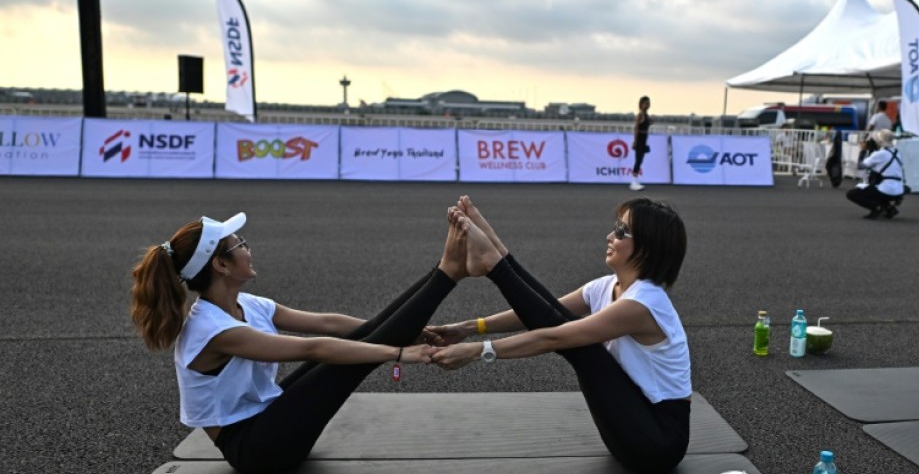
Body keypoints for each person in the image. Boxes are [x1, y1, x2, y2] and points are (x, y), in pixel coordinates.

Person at [130, 212, 468, 474]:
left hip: (267, 423)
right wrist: (398, 352)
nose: (247, 248)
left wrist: (409, 333)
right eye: (239, 244)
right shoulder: (214, 330)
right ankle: (448, 272)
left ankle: (444, 270)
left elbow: (326, 323)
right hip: (256, 451)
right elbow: (313, 348)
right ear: (221, 265)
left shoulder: (246, 304)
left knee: (357, 340)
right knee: (339, 360)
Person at [430, 196, 691, 474]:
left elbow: (554, 337)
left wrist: (477, 351)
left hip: (658, 444)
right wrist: (468, 327)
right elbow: (544, 308)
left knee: (584, 347)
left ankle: (495, 264)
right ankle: (496, 256)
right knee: (562, 321)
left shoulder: (643, 304)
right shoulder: (607, 287)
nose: (609, 236)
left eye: (621, 231)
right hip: (629, 429)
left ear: (647, 249)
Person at [846, 129, 906, 219]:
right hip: (899, 189)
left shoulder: (879, 154)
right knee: (874, 187)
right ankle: (889, 208)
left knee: (852, 194)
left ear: (880, 141)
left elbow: (861, 166)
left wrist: (863, 150)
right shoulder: (897, 153)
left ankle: (877, 208)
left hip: (887, 189)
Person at [630, 96, 653, 191]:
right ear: (641, 104)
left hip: (644, 140)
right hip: (640, 139)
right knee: (638, 160)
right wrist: (635, 141)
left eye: (648, 103)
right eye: (645, 103)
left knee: (640, 160)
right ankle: (633, 182)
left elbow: (650, 123)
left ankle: (635, 180)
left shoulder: (646, 115)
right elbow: (636, 128)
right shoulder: (640, 115)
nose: (647, 105)